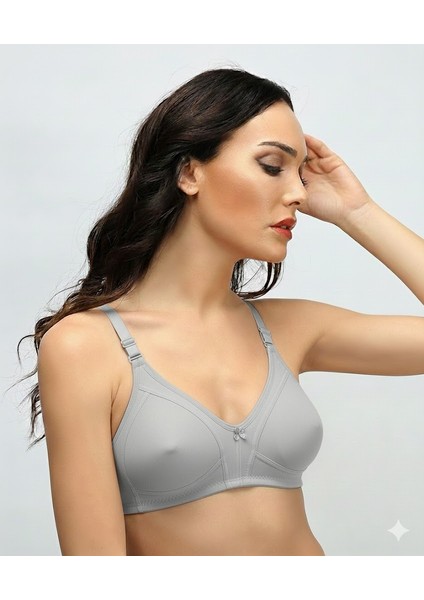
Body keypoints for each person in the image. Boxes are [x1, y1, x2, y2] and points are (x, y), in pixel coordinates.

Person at [21, 67, 423, 556]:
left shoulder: (291, 328)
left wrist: (357, 212)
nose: (298, 193)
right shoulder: (85, 346)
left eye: (300, 174)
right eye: (272, 166)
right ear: (189, 173)